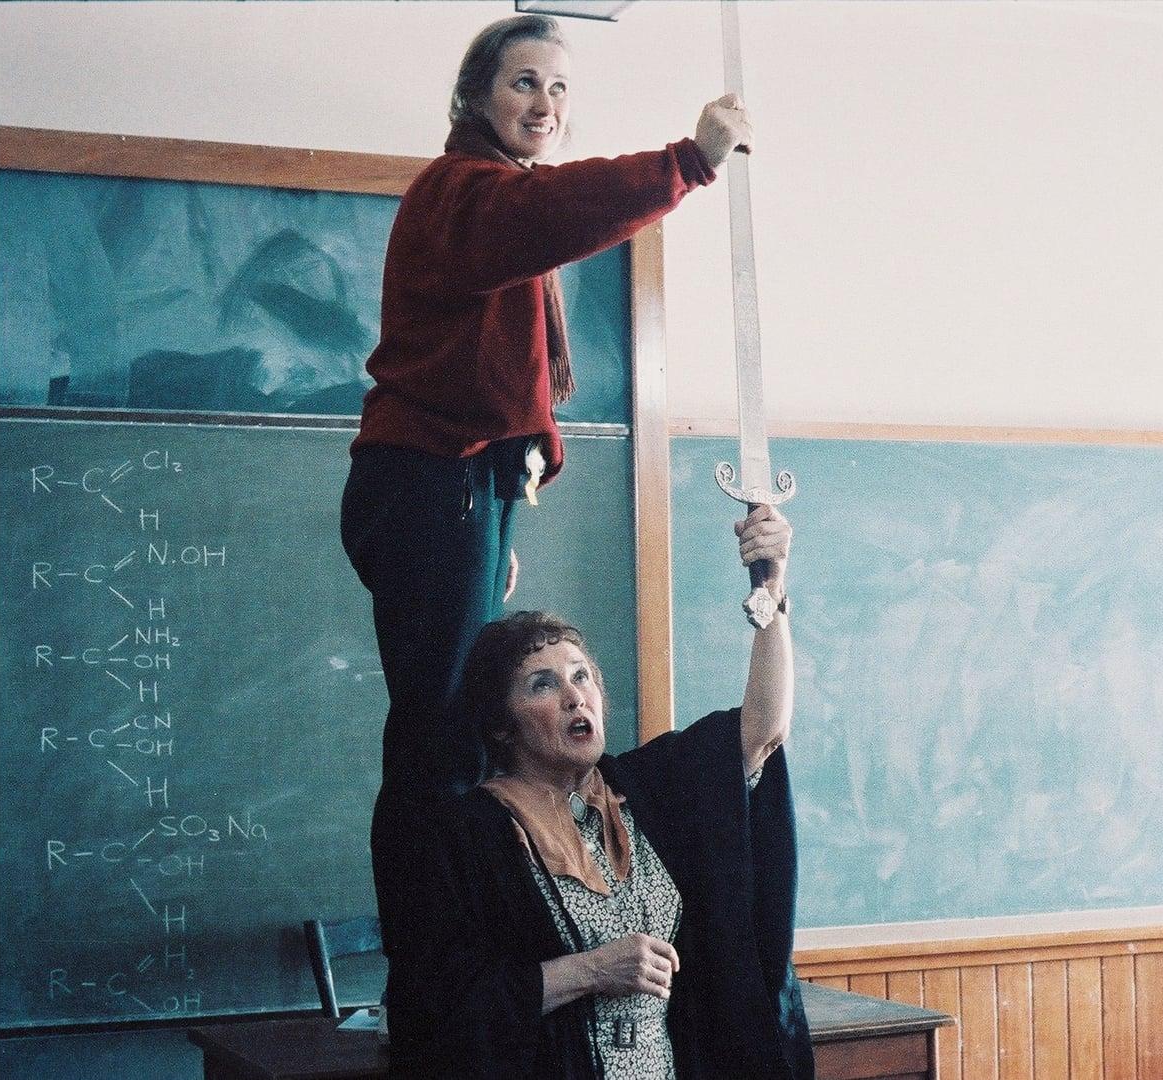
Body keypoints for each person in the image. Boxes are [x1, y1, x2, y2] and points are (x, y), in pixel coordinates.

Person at [340, 13, 754, 795]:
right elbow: (558, 211)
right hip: (433, 481)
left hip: (458, 484)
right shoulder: (464, 193)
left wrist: (493, 512)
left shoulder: (489, 197)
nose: (545, 104)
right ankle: (436, 918)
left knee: (455, 727)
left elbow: (489, 379)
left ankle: (450, 911)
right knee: (444, 734)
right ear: (475, 98)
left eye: (559, 88)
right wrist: (690, 160)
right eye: (524, 82)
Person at [371, 505, 811, 1079]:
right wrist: (589, 971)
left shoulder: (644, 789)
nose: (574, 696)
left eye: (581, 676)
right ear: (501, 724)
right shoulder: (464, 834)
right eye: (542, 684)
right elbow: (439, 1008)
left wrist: (772, 592)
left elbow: (763, 731)